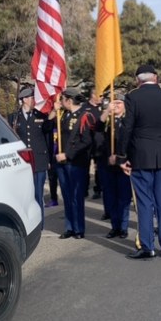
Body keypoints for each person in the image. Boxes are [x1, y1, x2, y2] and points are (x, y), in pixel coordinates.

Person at [117, 64, 161, 259]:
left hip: (141, 156)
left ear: (138, 79)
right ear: (156, 77)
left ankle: (147, 246)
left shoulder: (133, 97)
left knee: (145, 203)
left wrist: (122, 156)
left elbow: (126, 129)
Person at [54, 88, 96, 239]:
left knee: (76, 197)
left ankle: (79, 229)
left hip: (76, 162)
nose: (61, 102)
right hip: (62, 163)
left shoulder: (85, 116)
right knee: (66, 195)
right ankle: (69, 227)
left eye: (63, 99)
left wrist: (67, 154)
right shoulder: (63, 115)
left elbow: (86, 141)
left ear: (69, 101)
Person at [8, 87, 55, 217]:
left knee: (38, 195)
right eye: (31, 97)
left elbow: (48, 130)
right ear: (24, 99)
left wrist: (54, 112)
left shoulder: (40, 115)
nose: (34, 100)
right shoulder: (14, 118)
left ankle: (39, 224)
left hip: (39, 161)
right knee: (24, 195)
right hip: (23, 162)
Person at [99, 93, 132, 239]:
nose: (116, 105)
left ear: (125, 104)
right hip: (108, 165)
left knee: (124, 198)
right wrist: (107, 110)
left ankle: (124, 227)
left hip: (123, 164)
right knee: (111, 197)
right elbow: (97, 126)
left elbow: (131, 144)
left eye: (119, 103)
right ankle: (115, 226)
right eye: (114, 103)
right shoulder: (109, 120)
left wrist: (118, 158)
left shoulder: (129, 120)